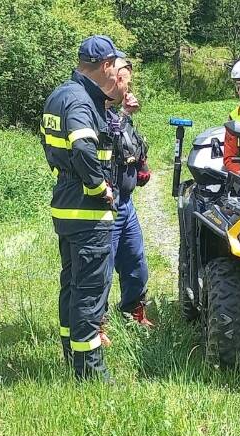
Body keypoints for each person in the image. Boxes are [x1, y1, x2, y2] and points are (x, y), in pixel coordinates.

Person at [40, 35, 124, 381]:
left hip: (66, 205)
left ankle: (70, 355)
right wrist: (99, 186)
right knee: (90, 290)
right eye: (115, 66)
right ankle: (91, 373)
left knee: (71, 285)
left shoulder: (59, 95)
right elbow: (84, 150)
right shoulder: (80, 102)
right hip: (87, 210)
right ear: (105, 66)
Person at [106, 59, 154, 328]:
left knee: (135, 261)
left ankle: (133, 313)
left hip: (127, 203)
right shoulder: (99, 109)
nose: (129, 87)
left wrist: (142, 165)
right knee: (102, 268)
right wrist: (124, 114)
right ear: (113, 80)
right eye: (125, 81)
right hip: (106, 204)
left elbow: (131, 145)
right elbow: (109, 139)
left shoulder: (119, 116)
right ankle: (97, 324)